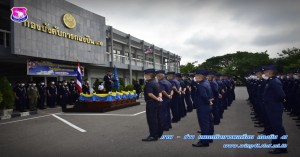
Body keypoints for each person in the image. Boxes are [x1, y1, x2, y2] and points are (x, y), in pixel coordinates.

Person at [262, 65, 288, 154]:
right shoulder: (271, 81)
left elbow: (281, 95)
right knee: (275, 127)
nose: (264, 73)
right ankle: (276, 145)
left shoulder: (274, 82)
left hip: (274, 108)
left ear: (270, 72)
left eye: (265, 72)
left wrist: (273, 102)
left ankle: (281, 147)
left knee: (278, 128)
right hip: (271, 107)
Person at [192, 70, 213, 147]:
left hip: (203, 106)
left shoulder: (201, 85)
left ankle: (204, 141)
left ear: (201, 77)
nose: (195, 77)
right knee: (209, 123)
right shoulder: (206, 82)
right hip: (206, 106)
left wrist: (208, 101)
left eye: (196, 76)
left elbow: (204, 96)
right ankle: (209, 138)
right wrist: (209, 101)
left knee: (204, 125)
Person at [142, 69, 163, 142]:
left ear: (148, 75)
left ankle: (153, 136)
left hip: (151, 103)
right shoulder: (156, 81)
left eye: (145, 74)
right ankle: (159, 133)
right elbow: (160, 91)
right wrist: (159, 97)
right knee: (157, 118)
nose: (144, 76)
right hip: (157, 103)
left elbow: (150, 94)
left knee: (151, 120)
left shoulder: (149, 83)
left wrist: (157, 98)